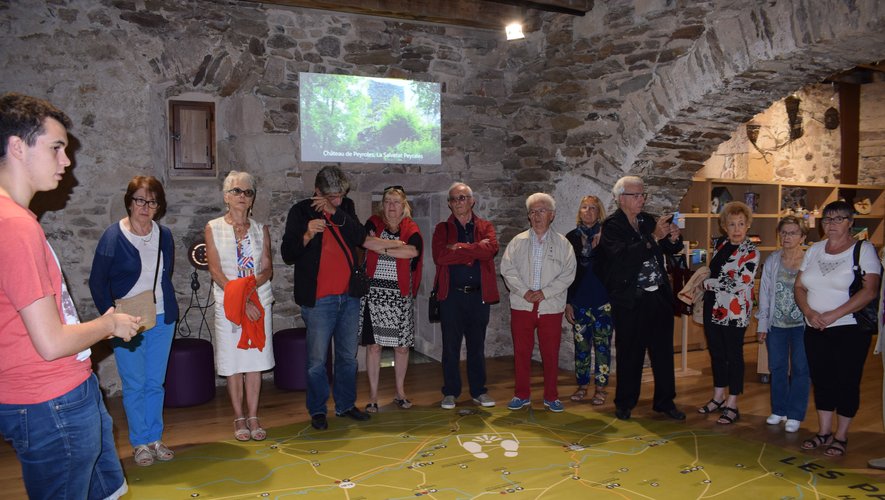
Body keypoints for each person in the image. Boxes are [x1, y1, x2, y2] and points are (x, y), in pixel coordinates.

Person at [0, 93, 139, 499]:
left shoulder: (16, 221)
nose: (67, 161)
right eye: (56, 148)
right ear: (17, 147)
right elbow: (50, 342)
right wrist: (109, 324)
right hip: (51, 403)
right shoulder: (15, 227)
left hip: (60, 395)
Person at [89, 176, 179, 466]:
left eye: (152, 201)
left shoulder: (164, 235)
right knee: (134, 383)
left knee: (155, 382)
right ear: (129, 202)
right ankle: (140, 442)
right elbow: (97, 282)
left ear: (158, 206)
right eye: (140, 199)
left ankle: (155, 438)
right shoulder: (113, 236)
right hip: (126, 318)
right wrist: (111, 317)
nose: (145, 206)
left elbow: (165, 276)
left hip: (162, 316)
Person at [281, 166, 370, 430]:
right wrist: (307, 234)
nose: (338, 200)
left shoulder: (346, 207)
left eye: (341, 195)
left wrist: (335, 212)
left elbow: (359, 236)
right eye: (331, 197)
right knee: (317, 361)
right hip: (319, 300)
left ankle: (345, 405)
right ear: (317, 192)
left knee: (348, 358)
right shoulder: (300, 211)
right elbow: (288, 253)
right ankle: (318, 410)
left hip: (349, 297)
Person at [593, 175, 685, 421]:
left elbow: (669, 249)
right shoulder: (612, 226)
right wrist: (654, 237)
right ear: (621, 198)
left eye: (643, 195)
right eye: (636, 195)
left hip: (659, 297)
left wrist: (673, 237)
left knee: (663, 353)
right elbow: (623, 259)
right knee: (630, 353)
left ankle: (665, 402)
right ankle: (625, 402)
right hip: (631, 300)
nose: (641, 199)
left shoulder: (646, 221)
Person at [795, 200, 881, 457]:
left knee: (847, 381)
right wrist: (809, 312)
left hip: (849, 329)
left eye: (838, 219)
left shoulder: (863, 250)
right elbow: (799, 286)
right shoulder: (814, 249)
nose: (831, 225)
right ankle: (823, 431)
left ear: (850, 222)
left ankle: (841, 435)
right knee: (822, 380)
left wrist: (834, 314)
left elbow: (870, 290)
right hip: (815, 328)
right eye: (827, 220)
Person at [205, 171, 275, 442]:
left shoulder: (261, 229)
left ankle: (254, 415)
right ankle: (238, 417)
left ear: (253, 199)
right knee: (234, 362)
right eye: (236, 191)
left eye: (248, 192)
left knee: (254, 362)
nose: (242, 196)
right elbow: (215, 270)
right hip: (229, 305)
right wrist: (242, 300)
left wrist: (249, 296)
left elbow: (267, 269)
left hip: (259, 301)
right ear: (226, 196)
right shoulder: (213, 227)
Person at [500, 193, 576, 412]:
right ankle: (521, 394)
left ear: (552, 215)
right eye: (533, 212)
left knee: (550, 354)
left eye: (542, 211)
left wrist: (544, 292)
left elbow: (568, 274)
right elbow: (507, 269)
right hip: (522, 306)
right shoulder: (518, 242)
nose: (537, 216)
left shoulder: (564, 245)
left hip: (550, 306)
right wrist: (525, 292)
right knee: (521, 353)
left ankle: (551, 396)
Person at [432, 182, 500, 409]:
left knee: (476, 346)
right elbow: (441, 257)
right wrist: (473, 250)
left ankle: (479, 391)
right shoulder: (442, 229)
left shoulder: (485, 226)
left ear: (472, 201)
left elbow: (490, 250)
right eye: (453, 199)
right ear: (449, 204)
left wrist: (459, 249)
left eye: (462, 198)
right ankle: (450, 392)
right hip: (451, 297)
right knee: (450, 347)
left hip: (478, 297)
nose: (458, 202)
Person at [359, 186, 422, 412]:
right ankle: (374, 396)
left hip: (400, 296)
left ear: (404, 205)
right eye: (387, 201)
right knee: (374, 347)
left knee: (402, 348)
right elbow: (367, 243)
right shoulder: (373, 223)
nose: (391, 206)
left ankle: (400, 392)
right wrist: (396, 246)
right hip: (374, 294)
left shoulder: (411, 227)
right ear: (381, 204)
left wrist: (382, 247)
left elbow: (413, 252)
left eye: (396, 201)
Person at [696, 201, 759, 425]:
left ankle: (732, 403)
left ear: (748, 225)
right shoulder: (722, 244)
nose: (737, 229)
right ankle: (718, 397)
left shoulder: (751, 251)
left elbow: (742, 282)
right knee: (717, 354)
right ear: (724, 226)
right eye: (732, 224)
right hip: (713, 308)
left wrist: (710, 283)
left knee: (734, 357)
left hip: (734, 311)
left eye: (741, 224)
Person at [755, 215, 809, 433]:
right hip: (776, 324)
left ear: (802, 236)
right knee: (777, 367)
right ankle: (779, 410)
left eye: (792, 232)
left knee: (800, 369)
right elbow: (765, 294)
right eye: (784, 232)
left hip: (802, 326)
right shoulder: (772, 260)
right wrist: (762, 324)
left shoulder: (809, 261)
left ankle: (795, 414)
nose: (787, 237)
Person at [565, 195, 613, 405]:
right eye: (584, 207)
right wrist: (567, 302)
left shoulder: (608, 236)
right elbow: (566, 272)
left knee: (603, 347)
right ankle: (582, 385)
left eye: (593, 208)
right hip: (579, 300)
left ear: (599, 211)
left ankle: (601, 388)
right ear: (580, 211)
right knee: (581, 348)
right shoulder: (571, 237)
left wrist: (604, 242)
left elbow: (615, 265)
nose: (588, 211)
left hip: (603, 300)